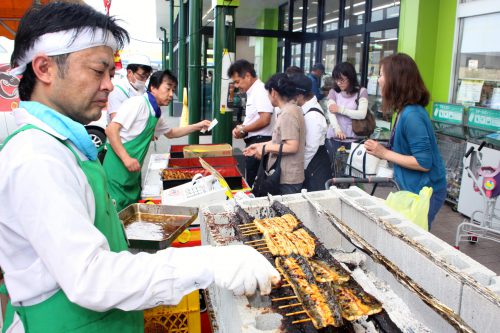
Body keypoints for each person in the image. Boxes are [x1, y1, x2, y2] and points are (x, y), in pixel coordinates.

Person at [0, 3, 279, 332]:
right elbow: (91, 278)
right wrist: (209, 262)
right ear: (45, 68)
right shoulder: (36, 158)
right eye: (97, 71)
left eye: (110, 73)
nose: (108, 85)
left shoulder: (63, 147)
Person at [104, 70, 211, 212]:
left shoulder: (156, 112)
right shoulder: (138, 103)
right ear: (153, 87)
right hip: (117, 170)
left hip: (132, 172)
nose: (171, 94)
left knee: (130, 213)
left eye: (173, 90)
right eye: (168, 89)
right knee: (116, 214)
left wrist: (198, 125)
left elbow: (171, 133)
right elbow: (111, 130)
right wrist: (126, 159)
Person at [364, 53, 447, 229]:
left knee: (414, 240)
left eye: (381, 74)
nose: (378, 80)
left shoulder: (412, 115)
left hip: (426, 191)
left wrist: (384, 153)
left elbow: (424, 162)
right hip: (414, 188)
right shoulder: (403, 111)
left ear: (396, 79)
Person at [244, 73, 306, 195]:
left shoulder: (288, 113)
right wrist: (259, 146)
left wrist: (266, 148)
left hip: (287, 178)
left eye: (268, 93)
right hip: (288, 176)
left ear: (273, 92)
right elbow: (280, 141)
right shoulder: (293, 109)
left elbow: (292, 146)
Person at [228, 59, 274, 187]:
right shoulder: (253, 92)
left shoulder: (260, 91)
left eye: (237, 82)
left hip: (260, 142)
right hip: (256, 141)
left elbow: (265, 119)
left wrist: (244, 129)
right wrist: (242, 129)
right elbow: (255, 118)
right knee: (251, 179)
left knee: (255, 184)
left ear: (248, 76)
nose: (236, 86)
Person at [289, 73, 330, 192]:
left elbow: (311, 147)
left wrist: (300, 169)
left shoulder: (313, 115)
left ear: (300, 96)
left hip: (315, 165)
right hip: (312, 162)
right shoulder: (305, 109)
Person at [325, 62, 369, 161]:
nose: (339, 83)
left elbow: (362, 114)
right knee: (335, 169)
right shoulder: (334, 92)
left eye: (342, 80)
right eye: (336, 80)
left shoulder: (361, 92)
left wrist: (340, 110)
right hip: (334, 138)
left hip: (353, 139)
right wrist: (337, 130)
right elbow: (331, 112)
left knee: (350, 170)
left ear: (351, 78)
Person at [107, 54, 153, 121]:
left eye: (147, 77)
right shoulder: (117, 90)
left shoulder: (144, 90)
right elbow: (115, 120)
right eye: (142, 76)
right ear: (129, 72)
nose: (145, 80)